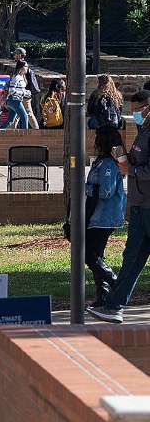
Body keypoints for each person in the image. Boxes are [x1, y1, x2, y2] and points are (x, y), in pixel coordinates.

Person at [89, 90, 150, 325]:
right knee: (131, 258)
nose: (136, 114)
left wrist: (130, 171)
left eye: (140, 109)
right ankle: (114, 306)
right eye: (133, 109)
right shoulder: (142, 131)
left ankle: (113, 305)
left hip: (147, 206)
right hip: (138, 204)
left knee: (133, 257)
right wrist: (124, 158)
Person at [80, 126, 127, 308]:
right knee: (97, 255)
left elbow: (106, 191)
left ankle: (114, 283)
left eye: (98, 138)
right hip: (97, 215)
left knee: (87, 254)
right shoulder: (100, 161)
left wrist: (84, 188)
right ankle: (103, 295)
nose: (94, 141)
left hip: (105, 217)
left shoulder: (108, 163)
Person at [0, 59, 33, 129]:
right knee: (24, 117)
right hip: (14, 100)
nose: (27, 68)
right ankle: (25, 136)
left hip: (15, 100)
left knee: (10, 120)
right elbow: (12, 90)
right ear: (21, 67)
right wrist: (24, 93)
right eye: (26, 66)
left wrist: (26, 92)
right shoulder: (16, 77)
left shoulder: (21, 77)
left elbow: (19, 89)